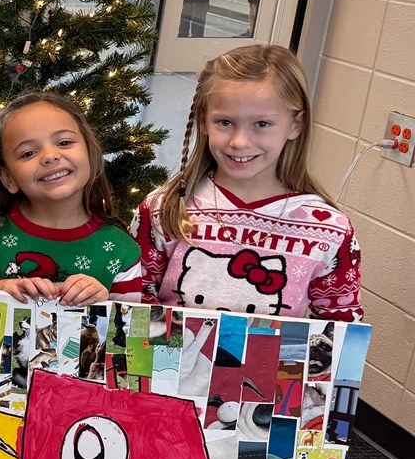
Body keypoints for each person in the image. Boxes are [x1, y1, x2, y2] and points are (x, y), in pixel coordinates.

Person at [133, 45, 362, 321]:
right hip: (170, 363)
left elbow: (339, 327)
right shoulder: (164, 208)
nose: (239, 142)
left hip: (270, 364)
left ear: (295, 125)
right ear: (203, 121)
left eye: (262, 124)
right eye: (225, 122)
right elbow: (135, 299)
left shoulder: (329, 230)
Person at [0, 91, 143, 342]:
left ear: (90, 153)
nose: (49, 156)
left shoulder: (121, 251)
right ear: (8, 178)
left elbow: (129, 347)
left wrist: (103, 305)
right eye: (28, 153)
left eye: (64, 142)